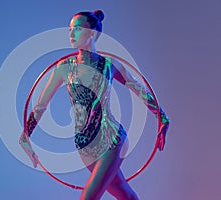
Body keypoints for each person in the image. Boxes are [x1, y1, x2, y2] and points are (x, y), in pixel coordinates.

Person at [19, 10, 170, 200]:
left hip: (111, 138)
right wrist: (25, 136)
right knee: (126, 195)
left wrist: (162, 117)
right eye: (70, 30)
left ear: (91, 33)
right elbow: (41, 105)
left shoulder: (109, 65)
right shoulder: (65, 68)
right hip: (84, 145)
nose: (71, 34)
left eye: (77, 29)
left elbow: (138, 89)